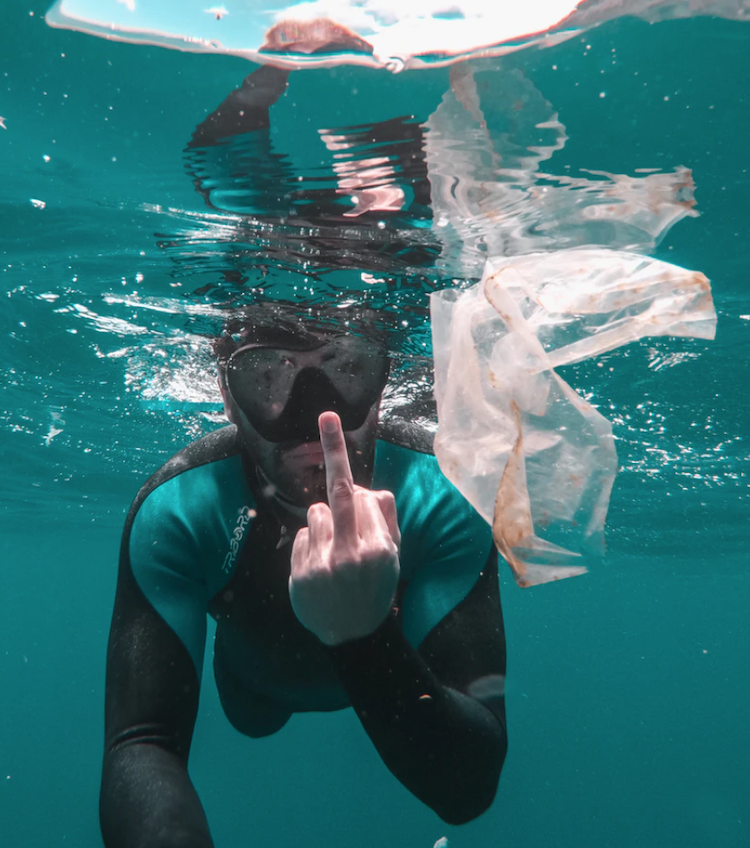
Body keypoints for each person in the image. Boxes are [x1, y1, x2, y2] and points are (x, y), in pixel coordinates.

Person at [100, 49, 506, 848]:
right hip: (255, 688)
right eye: (270, 379)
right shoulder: (183, 507)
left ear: (384, 378)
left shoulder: (441, 494)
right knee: (253, 717)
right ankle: (371, 107)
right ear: (225, 390)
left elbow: (469, 787)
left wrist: (362, 632)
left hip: (380, 683)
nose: (316, 420)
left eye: (349, 371)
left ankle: (359, 90)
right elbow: (141, 744)